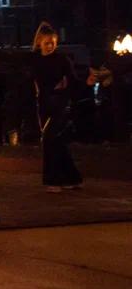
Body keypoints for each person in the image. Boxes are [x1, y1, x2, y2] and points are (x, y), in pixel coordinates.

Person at [32, 23, 83, 192]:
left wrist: (82, 84)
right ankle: (72, 178)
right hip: (44, 105)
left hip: (60, 105)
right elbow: (11, 61)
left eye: (53, 42)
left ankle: (53, 180)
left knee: (50, 139)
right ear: (39, 42)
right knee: (57, 141)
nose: (51, 46)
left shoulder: (62, 60)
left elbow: (74, 81)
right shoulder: (35, 59)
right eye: (47, 42)